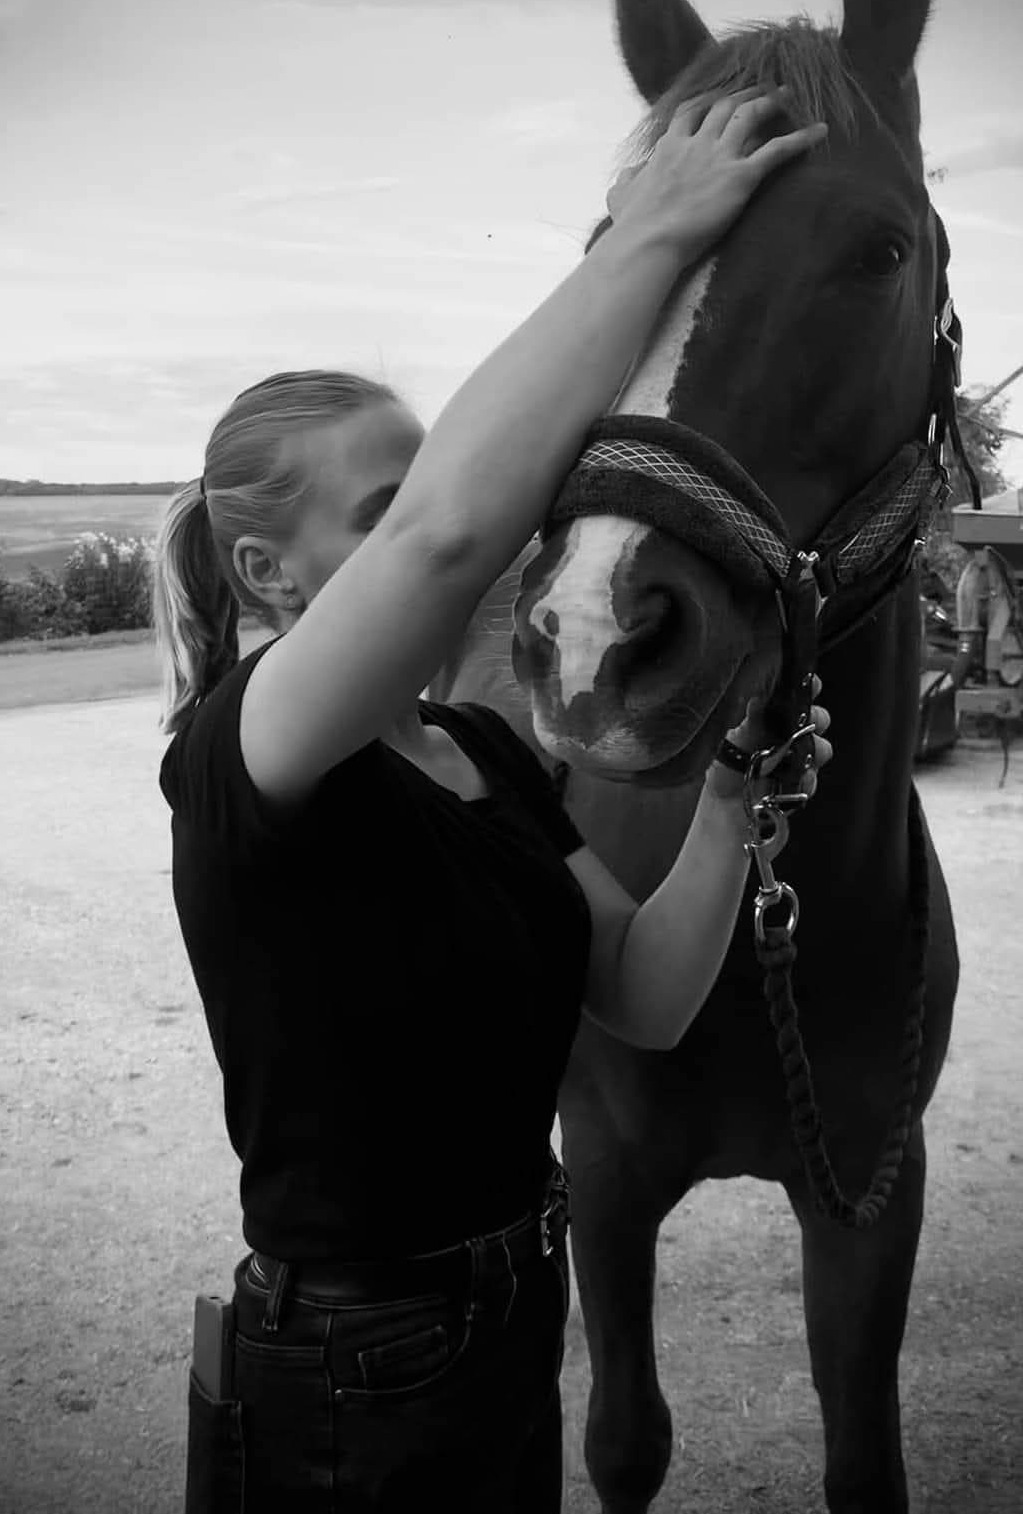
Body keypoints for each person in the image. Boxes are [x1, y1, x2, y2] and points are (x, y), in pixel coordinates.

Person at [154, 87, 832, 1513]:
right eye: (377, 510)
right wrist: (644, 243)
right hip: (354, 1359)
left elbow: (642, 993)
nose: (449, 527)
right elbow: (455, 531)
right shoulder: (250, 758)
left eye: (418, 494)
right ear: (269, 573)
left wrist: (729, 784)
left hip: (515, 1317)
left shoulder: (483, 749)